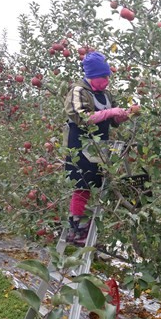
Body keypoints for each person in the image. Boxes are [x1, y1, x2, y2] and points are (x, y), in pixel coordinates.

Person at [63, 51, 131, 246]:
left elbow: (114, 120)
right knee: (82, 185)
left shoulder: (107, 94)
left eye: (108, 76)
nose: (107, 80)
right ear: (93, 76)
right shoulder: (78, 91)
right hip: (81, 146)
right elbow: (81, 116)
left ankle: (89, 229)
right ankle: (76, 229)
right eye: (104, 76)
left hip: (102, 146)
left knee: (99, 184)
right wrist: (109, 112)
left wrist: (121, 116)